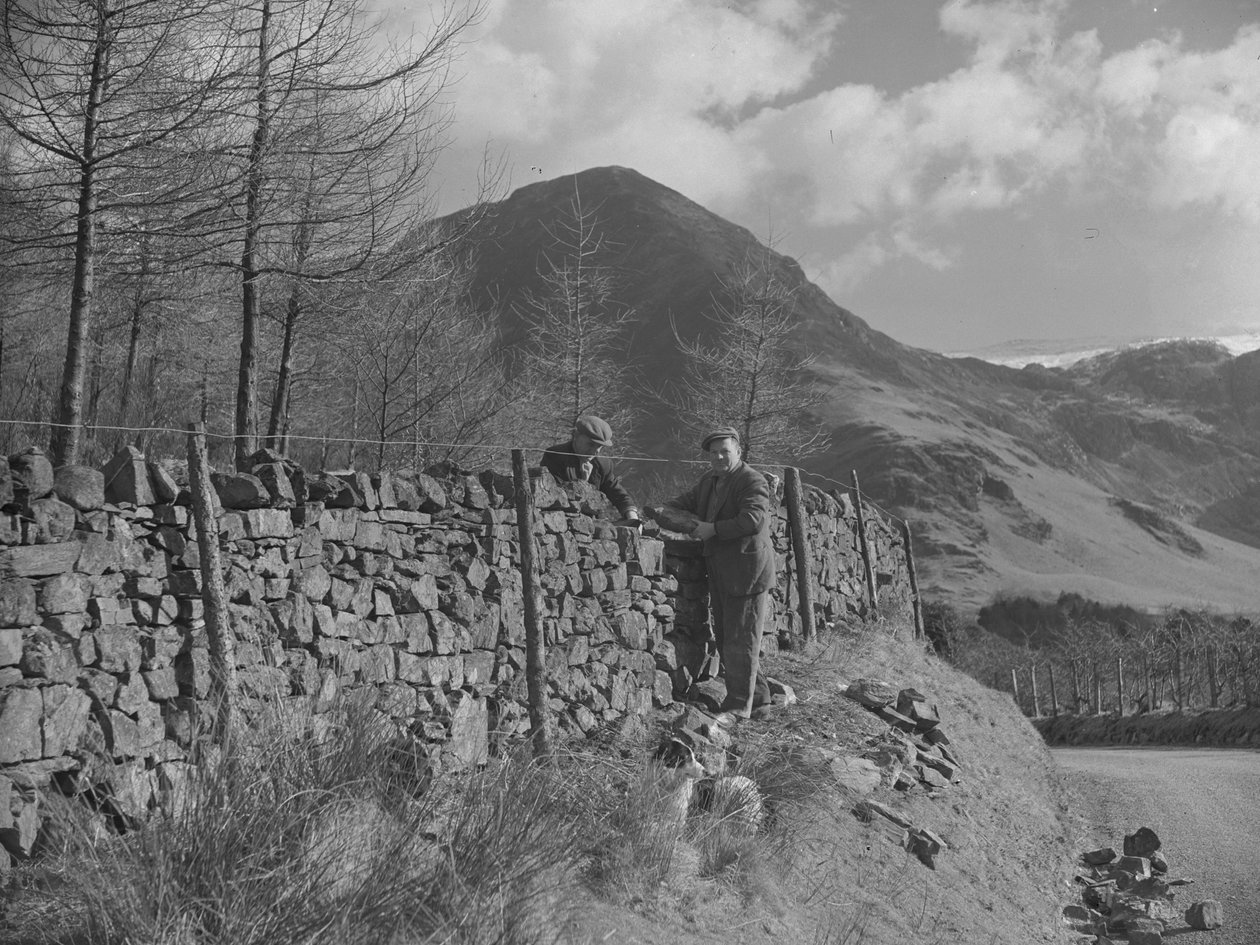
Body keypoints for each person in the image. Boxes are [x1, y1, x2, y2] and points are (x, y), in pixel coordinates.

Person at [666, 426, 773, 725]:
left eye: (725, 451)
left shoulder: (752, 480)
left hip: (747, 572)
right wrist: (666, 512)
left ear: (738, 451)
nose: (719, 457)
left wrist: (712, 529)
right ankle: (760, 700)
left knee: (741, 640)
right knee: (730, 638)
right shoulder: (709, 481)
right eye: (713, 453)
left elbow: (752, 520)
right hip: (721, 569)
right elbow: (686, 502)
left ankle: (739, 707)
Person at [540, 415, 640, 523]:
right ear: (576, 435)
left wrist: (632, 515)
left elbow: (617, 493)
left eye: (599, 446)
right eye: (591, 444)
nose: (595, 451)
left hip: (590, 524)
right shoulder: (555, 456)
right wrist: (583, 484)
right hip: (558, 520)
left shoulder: (603, 464)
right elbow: (556, 494)